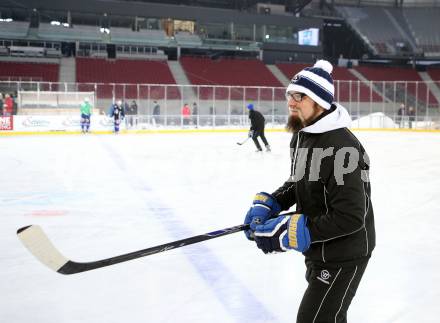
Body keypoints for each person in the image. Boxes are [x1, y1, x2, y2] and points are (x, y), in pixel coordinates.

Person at [244, 60, 375, 323]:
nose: (291, 102)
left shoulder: (342, 148)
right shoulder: (303, 135)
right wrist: (273, 203)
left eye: (299, 96)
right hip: (320, 247)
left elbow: (350, 216)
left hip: (344, 252)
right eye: (289, 95)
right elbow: (299, 181)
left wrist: (291, 231)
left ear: (320, 101)